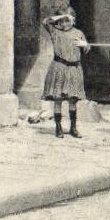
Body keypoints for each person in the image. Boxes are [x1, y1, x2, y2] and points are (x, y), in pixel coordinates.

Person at [42, 8, 91, 136]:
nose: (65, 24)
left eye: (68, 21)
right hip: (59, 68)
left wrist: (84, 44)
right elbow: (46, 22)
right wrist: (61, 16)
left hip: (74, 69)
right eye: (62, 21)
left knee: (72, 100)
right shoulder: (55, 32)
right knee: (58, 99)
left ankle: (73, 128)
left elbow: (87, 50)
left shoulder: (78, 33)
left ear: (73, 20)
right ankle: (58, 127)